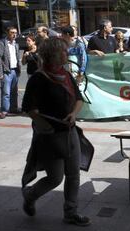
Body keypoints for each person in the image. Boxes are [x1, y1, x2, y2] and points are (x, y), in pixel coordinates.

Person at [21, 37, 90, 226]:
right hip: (50, 136)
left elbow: (78, 99)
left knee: (74, 174)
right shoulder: (39, 78)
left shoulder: (66, 75)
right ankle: (30, 195)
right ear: (52, 55)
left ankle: (71, 212)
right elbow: (28, 107)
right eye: (63, 51)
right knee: (55, 178)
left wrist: (74, 115)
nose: (67, 54)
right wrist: (43, 124)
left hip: (70, 131)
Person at [0, 26, 21, 119]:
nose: (14, 35)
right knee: (6, 92)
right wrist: (0, 73)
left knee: (14, 91)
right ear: (7, 33)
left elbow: (17, 57)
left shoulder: (15, 44)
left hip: (15, 70)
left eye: (15, 33)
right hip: (7, 71)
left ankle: (13, 108)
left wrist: (19, 69)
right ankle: (4, 110)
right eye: (12, 32)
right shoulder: (1, 43)